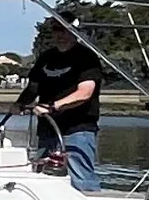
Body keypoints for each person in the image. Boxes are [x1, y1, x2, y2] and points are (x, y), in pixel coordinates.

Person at [14, 23, 103, 191]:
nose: (60, 35)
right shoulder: (46, 57)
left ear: (75, 33)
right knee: (42, 175)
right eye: (56, 30)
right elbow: (33, 87)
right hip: (47, 129)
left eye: (66, 30)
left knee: (80, 177)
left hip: (78, 129)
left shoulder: (86, 57)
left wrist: (53, 107)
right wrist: (19, 104)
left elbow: (85, 93)